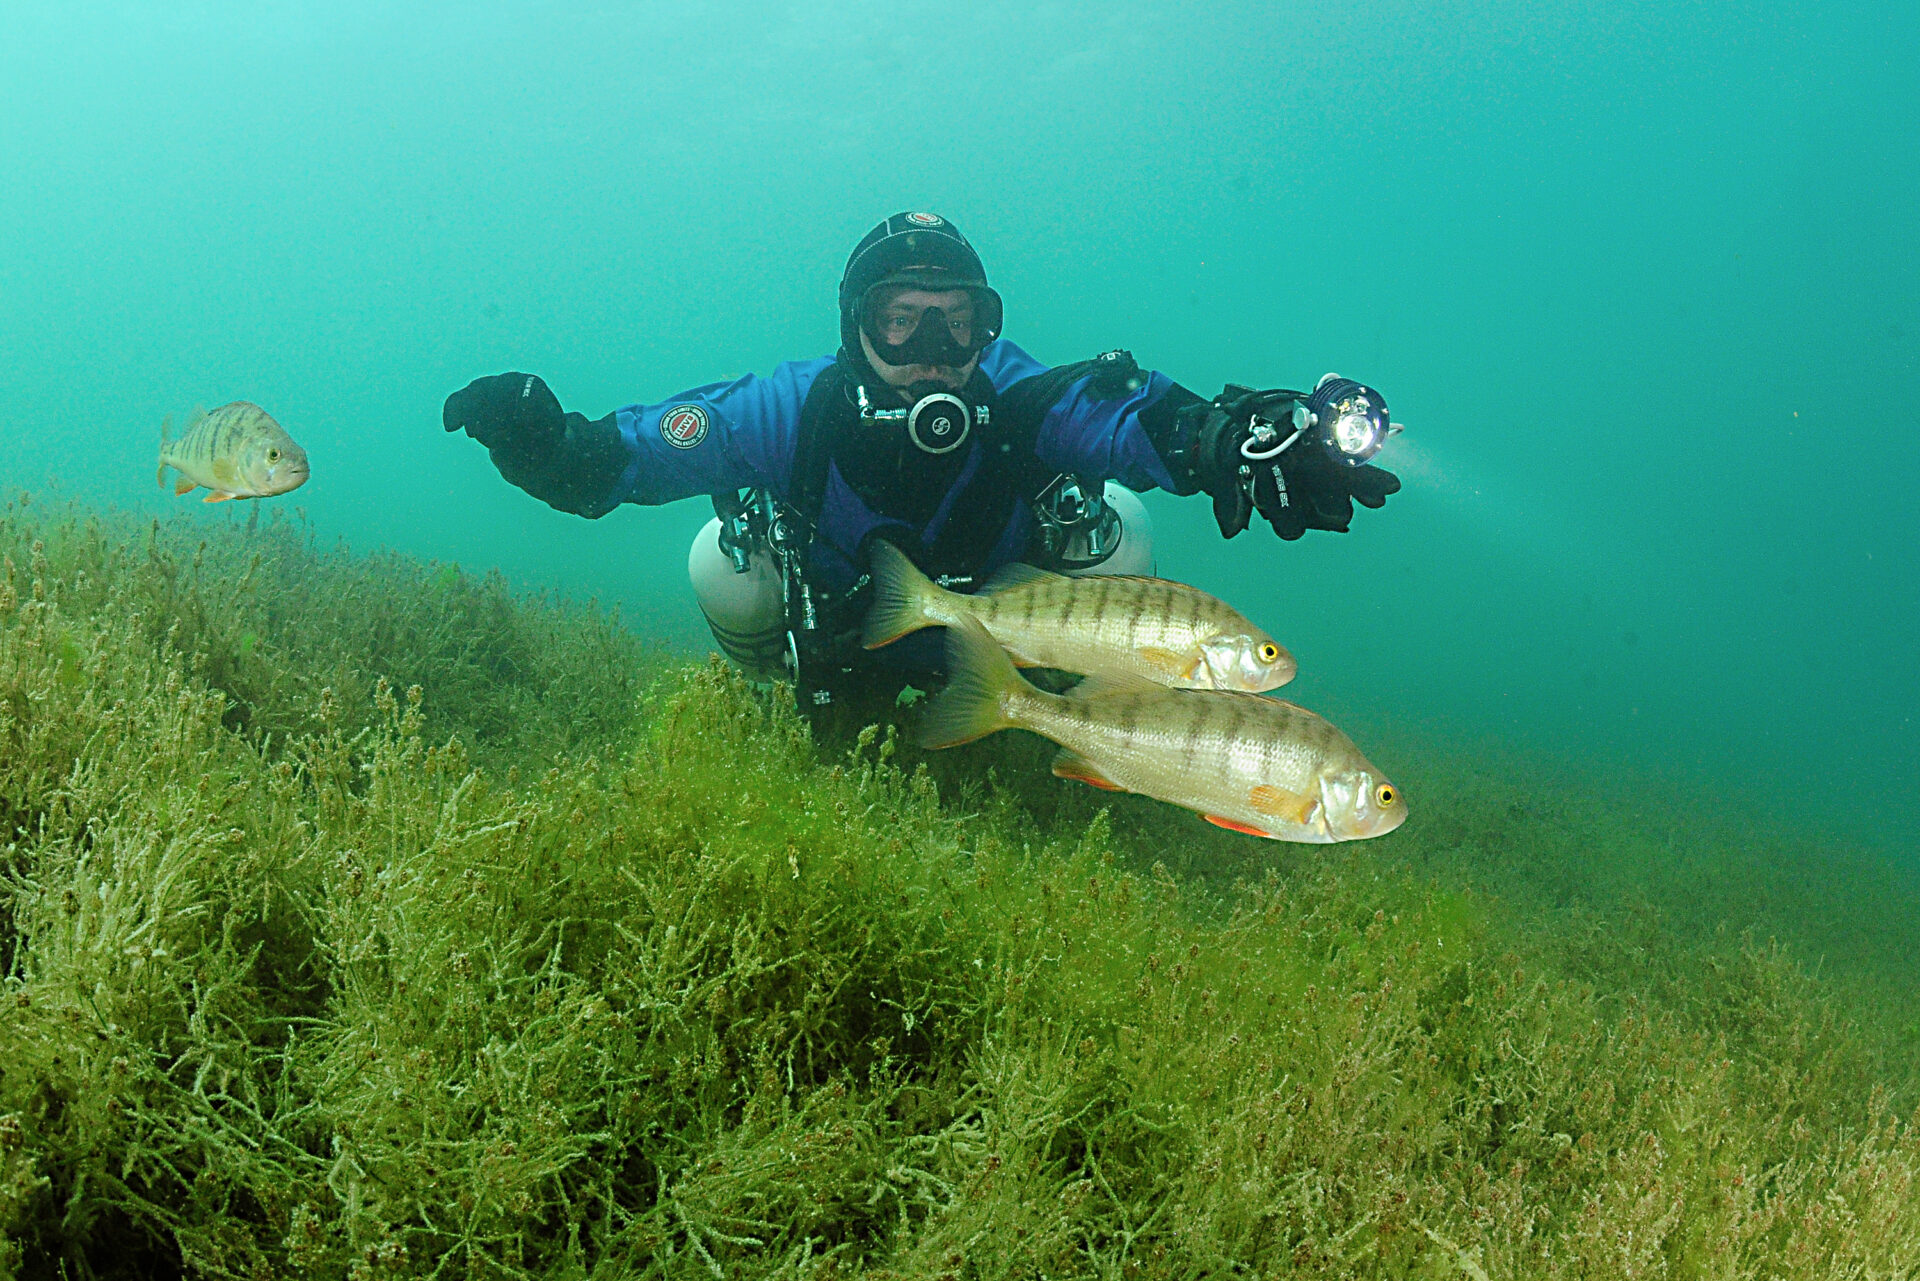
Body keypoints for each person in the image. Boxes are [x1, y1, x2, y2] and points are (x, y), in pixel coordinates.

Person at [443, 211, 1401, 728]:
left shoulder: (1022, 396)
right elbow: (623, 462)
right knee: (715, 559)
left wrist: (1240, 437)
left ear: (988, 326)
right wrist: (545, 446)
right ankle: (774, 693)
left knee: (1127, 527)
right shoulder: (789, 408)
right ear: (856, 325)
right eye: (902, 320)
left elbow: (1140, 421)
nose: (935, 350)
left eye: (960, 321)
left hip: (1009, 639)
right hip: (839, 636)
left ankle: (1074, 718)